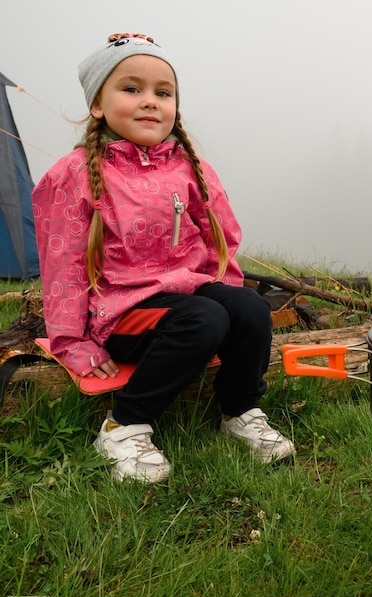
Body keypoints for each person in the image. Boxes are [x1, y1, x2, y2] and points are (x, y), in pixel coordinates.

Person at [32, 33, 295, 483]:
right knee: (204, 320)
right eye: (131, 89)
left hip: (188, 294)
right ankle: (124, 424)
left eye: (163, 92)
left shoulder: (188, 167)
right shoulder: (73, 175)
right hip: (123, 312)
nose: (149, 101)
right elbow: (63, 266)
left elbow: (221, 238)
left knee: (249, 307)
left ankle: (240, 410)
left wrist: (232, 306)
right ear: (98, 104)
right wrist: (74, 344)